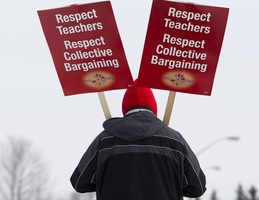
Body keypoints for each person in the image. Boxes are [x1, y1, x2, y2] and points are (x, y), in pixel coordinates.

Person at [70, 79, 206, 200]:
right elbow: (197, 187)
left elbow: (79, 182)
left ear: (125, 107)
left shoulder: (104, 140)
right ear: (153, 106)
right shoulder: (175, 141)